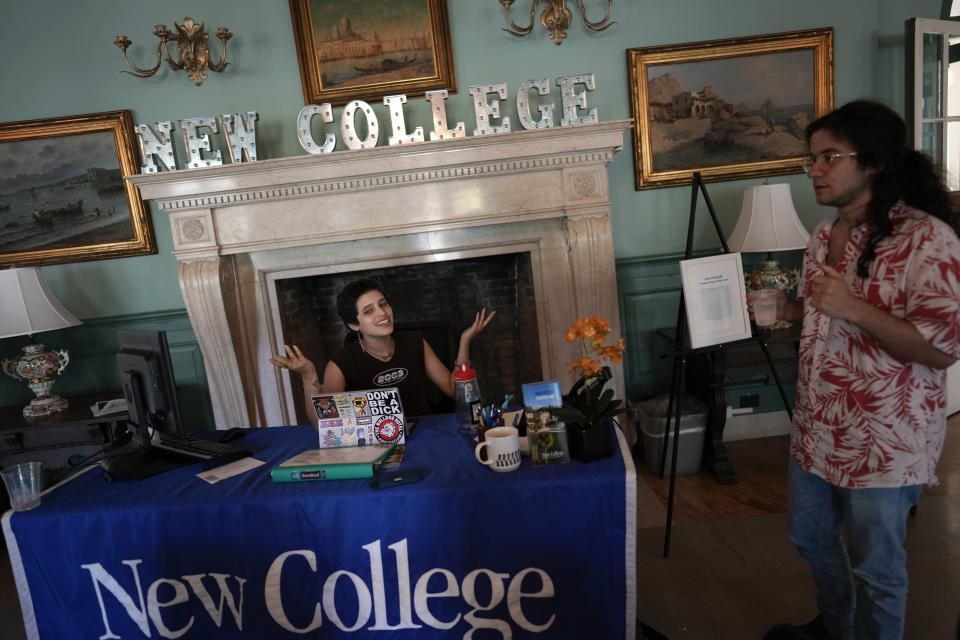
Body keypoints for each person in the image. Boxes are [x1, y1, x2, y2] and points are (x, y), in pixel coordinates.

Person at [764, 100, 960, 640]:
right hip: (816, 427)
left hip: (884, 440)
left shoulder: (928, 240)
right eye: (811, 160)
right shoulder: (822, 236)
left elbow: (942, 349)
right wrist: (787, 311)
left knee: (876, 567)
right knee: (809, 539)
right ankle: (837, 627)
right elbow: (820, 310)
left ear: (872, 162)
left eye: (829, 157)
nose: (815, 171)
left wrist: (854, 307)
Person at [269, 277, 495, 425]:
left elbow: (452, 388)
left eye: (383, 304)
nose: (382, 313)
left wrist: (465, 341)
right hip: (379, 443)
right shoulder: (340, 363)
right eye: (369, 311)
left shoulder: (415, 341)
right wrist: (309, 376)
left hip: (426, 435)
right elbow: (325, 424)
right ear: (354, 325)